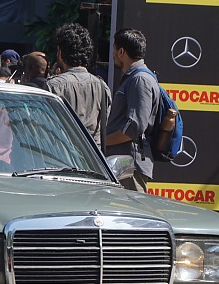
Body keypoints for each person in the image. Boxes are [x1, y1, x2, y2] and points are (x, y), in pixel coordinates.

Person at [105, 28, 161, 193]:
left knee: (130, 216)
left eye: (114, 50)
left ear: (121, 51)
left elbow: (134, 128)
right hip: (123, 166)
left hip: (130, 168)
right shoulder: (134, 78)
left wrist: (102, 143)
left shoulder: (140, 80)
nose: (113, 54)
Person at [47, 23, 110, 151]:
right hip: (93, 162)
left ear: (61, 52)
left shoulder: (53, 86)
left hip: (61, 159)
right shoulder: (102, 87)